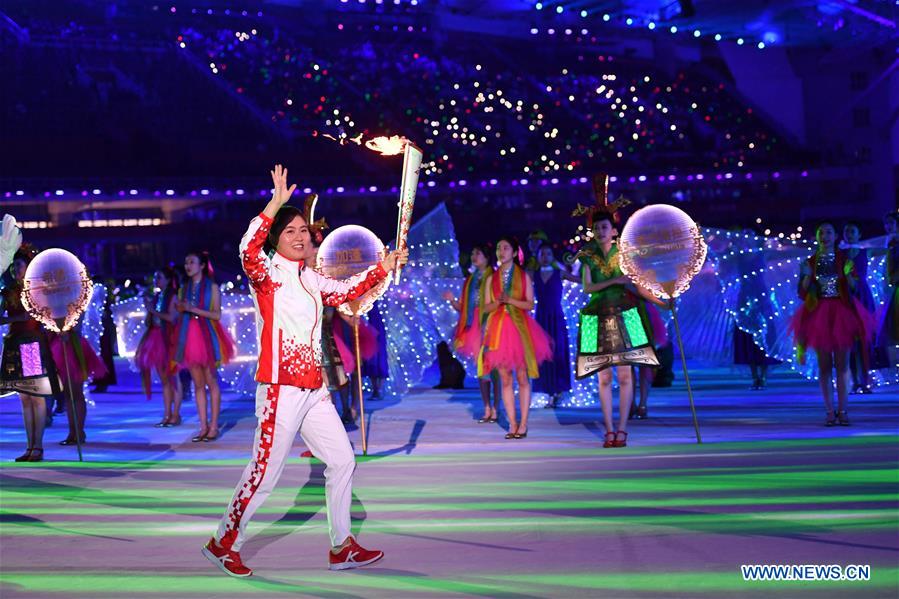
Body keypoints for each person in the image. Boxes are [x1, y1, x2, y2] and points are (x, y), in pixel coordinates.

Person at [202, 165, 407, 577]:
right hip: (280, 389)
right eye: (290, 230)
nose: (300, 236)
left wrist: (383, 267)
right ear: (277, 238)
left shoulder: (311, 278)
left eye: (302, 230)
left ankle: (341, 545)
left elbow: (345, 290)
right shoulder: (267, 276)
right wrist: (272, 205)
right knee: (265, 475)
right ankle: (224, 542)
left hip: (313, 390)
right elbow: (247, 249)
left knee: (343, 461)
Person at [574, 209, 662, 448]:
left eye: (605, 227)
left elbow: (637, 286)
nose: (600, 231)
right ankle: (609, 430)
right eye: (597, 228)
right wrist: (614, 281)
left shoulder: (625, 255)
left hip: (624, 313)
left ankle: (622, 429)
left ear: (614, 231)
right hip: (596, 316)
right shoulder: (587, 256)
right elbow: (588, 288)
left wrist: (662, 301)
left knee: (625, 375)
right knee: (603, 377)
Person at [790, 221, 875, 426]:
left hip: (842, 313)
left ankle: (843, 410)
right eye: (821, 232)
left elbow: (854, 288)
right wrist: (806, 278)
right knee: (825, 366)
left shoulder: (845, 259)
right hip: (818, 314)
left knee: (843, 365)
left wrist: (847, 274)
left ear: (836, 236)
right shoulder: (809, 262)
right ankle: (830, 411)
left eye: (828, 232)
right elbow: (802, 293)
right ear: (817, 236)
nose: (824, 236)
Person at [479, 237, 552, 439]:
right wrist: (499, 303)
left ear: (513, 252)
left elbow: (530, 304)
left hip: (519, 328)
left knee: (522, 377)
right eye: (498, 248)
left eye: (505, 248)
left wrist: (510, 300)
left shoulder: (524, 276)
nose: (501, 251)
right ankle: (512, 423)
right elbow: (486, 307)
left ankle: (524, 423)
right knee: (505, 378)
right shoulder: (490, 279)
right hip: (499, 329)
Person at [0, 244, 61, 462]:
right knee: (24, 398)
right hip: (15, 345)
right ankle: (29, 446)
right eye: (14, 265)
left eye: (20, 265)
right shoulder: (7, 292)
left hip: (31, 345)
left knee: (35, 396)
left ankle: (38, 446)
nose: (16, 269)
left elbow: (37, 317)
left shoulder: (36, 289)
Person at [173, 250, 236, 442]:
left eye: (191, 262)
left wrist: (194, 309)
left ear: (201, 265)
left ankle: (214, 426)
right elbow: (181, 312)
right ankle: (203, 426)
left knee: (211, 382)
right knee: (198, 384)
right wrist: (181, 308)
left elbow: (217, 315)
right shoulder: (183, 288)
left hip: (207, 335)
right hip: (189, 335)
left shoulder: (213, 288)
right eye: (186, 263)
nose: (188, 266)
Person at [444, 245, 498, 422]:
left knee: (494, 369)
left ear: (486, 257)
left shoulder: (494, 277)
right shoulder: (470, 280)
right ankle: (487, 407)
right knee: (482, 370)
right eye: (473, 253)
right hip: (474, 327)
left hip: (491, 324)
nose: (474, 256)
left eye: (478, 253)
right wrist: (452, 300)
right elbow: (464, 308)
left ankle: (496, 408)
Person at [135, 267, 182, 425]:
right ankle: (167, 414)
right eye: (155, 277)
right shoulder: (157, 296)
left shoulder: (172, 296)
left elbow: (171, 318)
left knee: (173, 377)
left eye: (159, 277)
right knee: (164, 379)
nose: (156, 280)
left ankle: (175, 414)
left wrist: (153, 311)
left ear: (168, 279)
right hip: (156, 338)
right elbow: (150, 321)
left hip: (168, 339)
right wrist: (149, 310)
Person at [50, 324, 107, 446]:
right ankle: (73, 431)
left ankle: (79, 431)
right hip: (57, 343)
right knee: (68, 394)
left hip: (72, 344)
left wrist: (67, 329)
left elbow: (77, 320)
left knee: (75, 392)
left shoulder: (76, 306)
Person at [532, 243, 572, 407]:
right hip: (540, 318)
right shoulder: (532, 274)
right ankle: (549, 393)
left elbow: (582, 281)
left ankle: (559, 391)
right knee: (543, 353)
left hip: (556, 317)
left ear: (552, 256)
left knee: (558, 352)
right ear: (537, 256)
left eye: (548, 254)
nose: (545, 257)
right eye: (542, 254)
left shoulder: (560, 273)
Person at [842, 222, 876, 394]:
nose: (849, 234)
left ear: (859, 234)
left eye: (852, 231)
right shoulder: (838, 254)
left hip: (862, 296)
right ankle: (855, 382)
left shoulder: (865, 251)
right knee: (849, 342)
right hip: (845, 296)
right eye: (846, 231)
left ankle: (865, 381)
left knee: (864, 340)